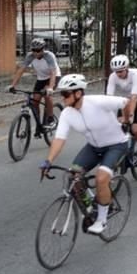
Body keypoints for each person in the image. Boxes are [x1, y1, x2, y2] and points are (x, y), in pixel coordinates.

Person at [39, 74, 129, 235]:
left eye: (66, 94)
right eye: (62, 94)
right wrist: (48, 161)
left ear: (78, 93)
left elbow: (125, 102)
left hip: (116, 145)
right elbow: (59, 139)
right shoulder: (67, 113)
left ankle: (102, 219)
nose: (63, 98)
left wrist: (126, 120)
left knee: (101, 178)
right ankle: (91, 207)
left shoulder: (97, 102)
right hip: (94, 147)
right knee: (73, 175)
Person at [105, 54, 137, 168]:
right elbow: (109, 98)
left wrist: (130, 115)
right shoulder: (112, 77)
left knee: (135, 129)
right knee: (118, 125)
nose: (118, 74)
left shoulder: (136, 74)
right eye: (116, 72)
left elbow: (134, 97)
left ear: (127, 68)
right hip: (124, 102)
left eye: (121, 71)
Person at [8, 37, 61, 126]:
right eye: (34, 50)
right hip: (41, 78)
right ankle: (39, 124)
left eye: (38, 50)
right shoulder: (30, 56)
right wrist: (12, 85)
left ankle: (50, 118)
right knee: (34, 102)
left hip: (54, 76)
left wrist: (51, 88)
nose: (36, 53)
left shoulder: (49, 56)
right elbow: (21, 70)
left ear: (43, 49)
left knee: (47, 96)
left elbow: (53, 72)